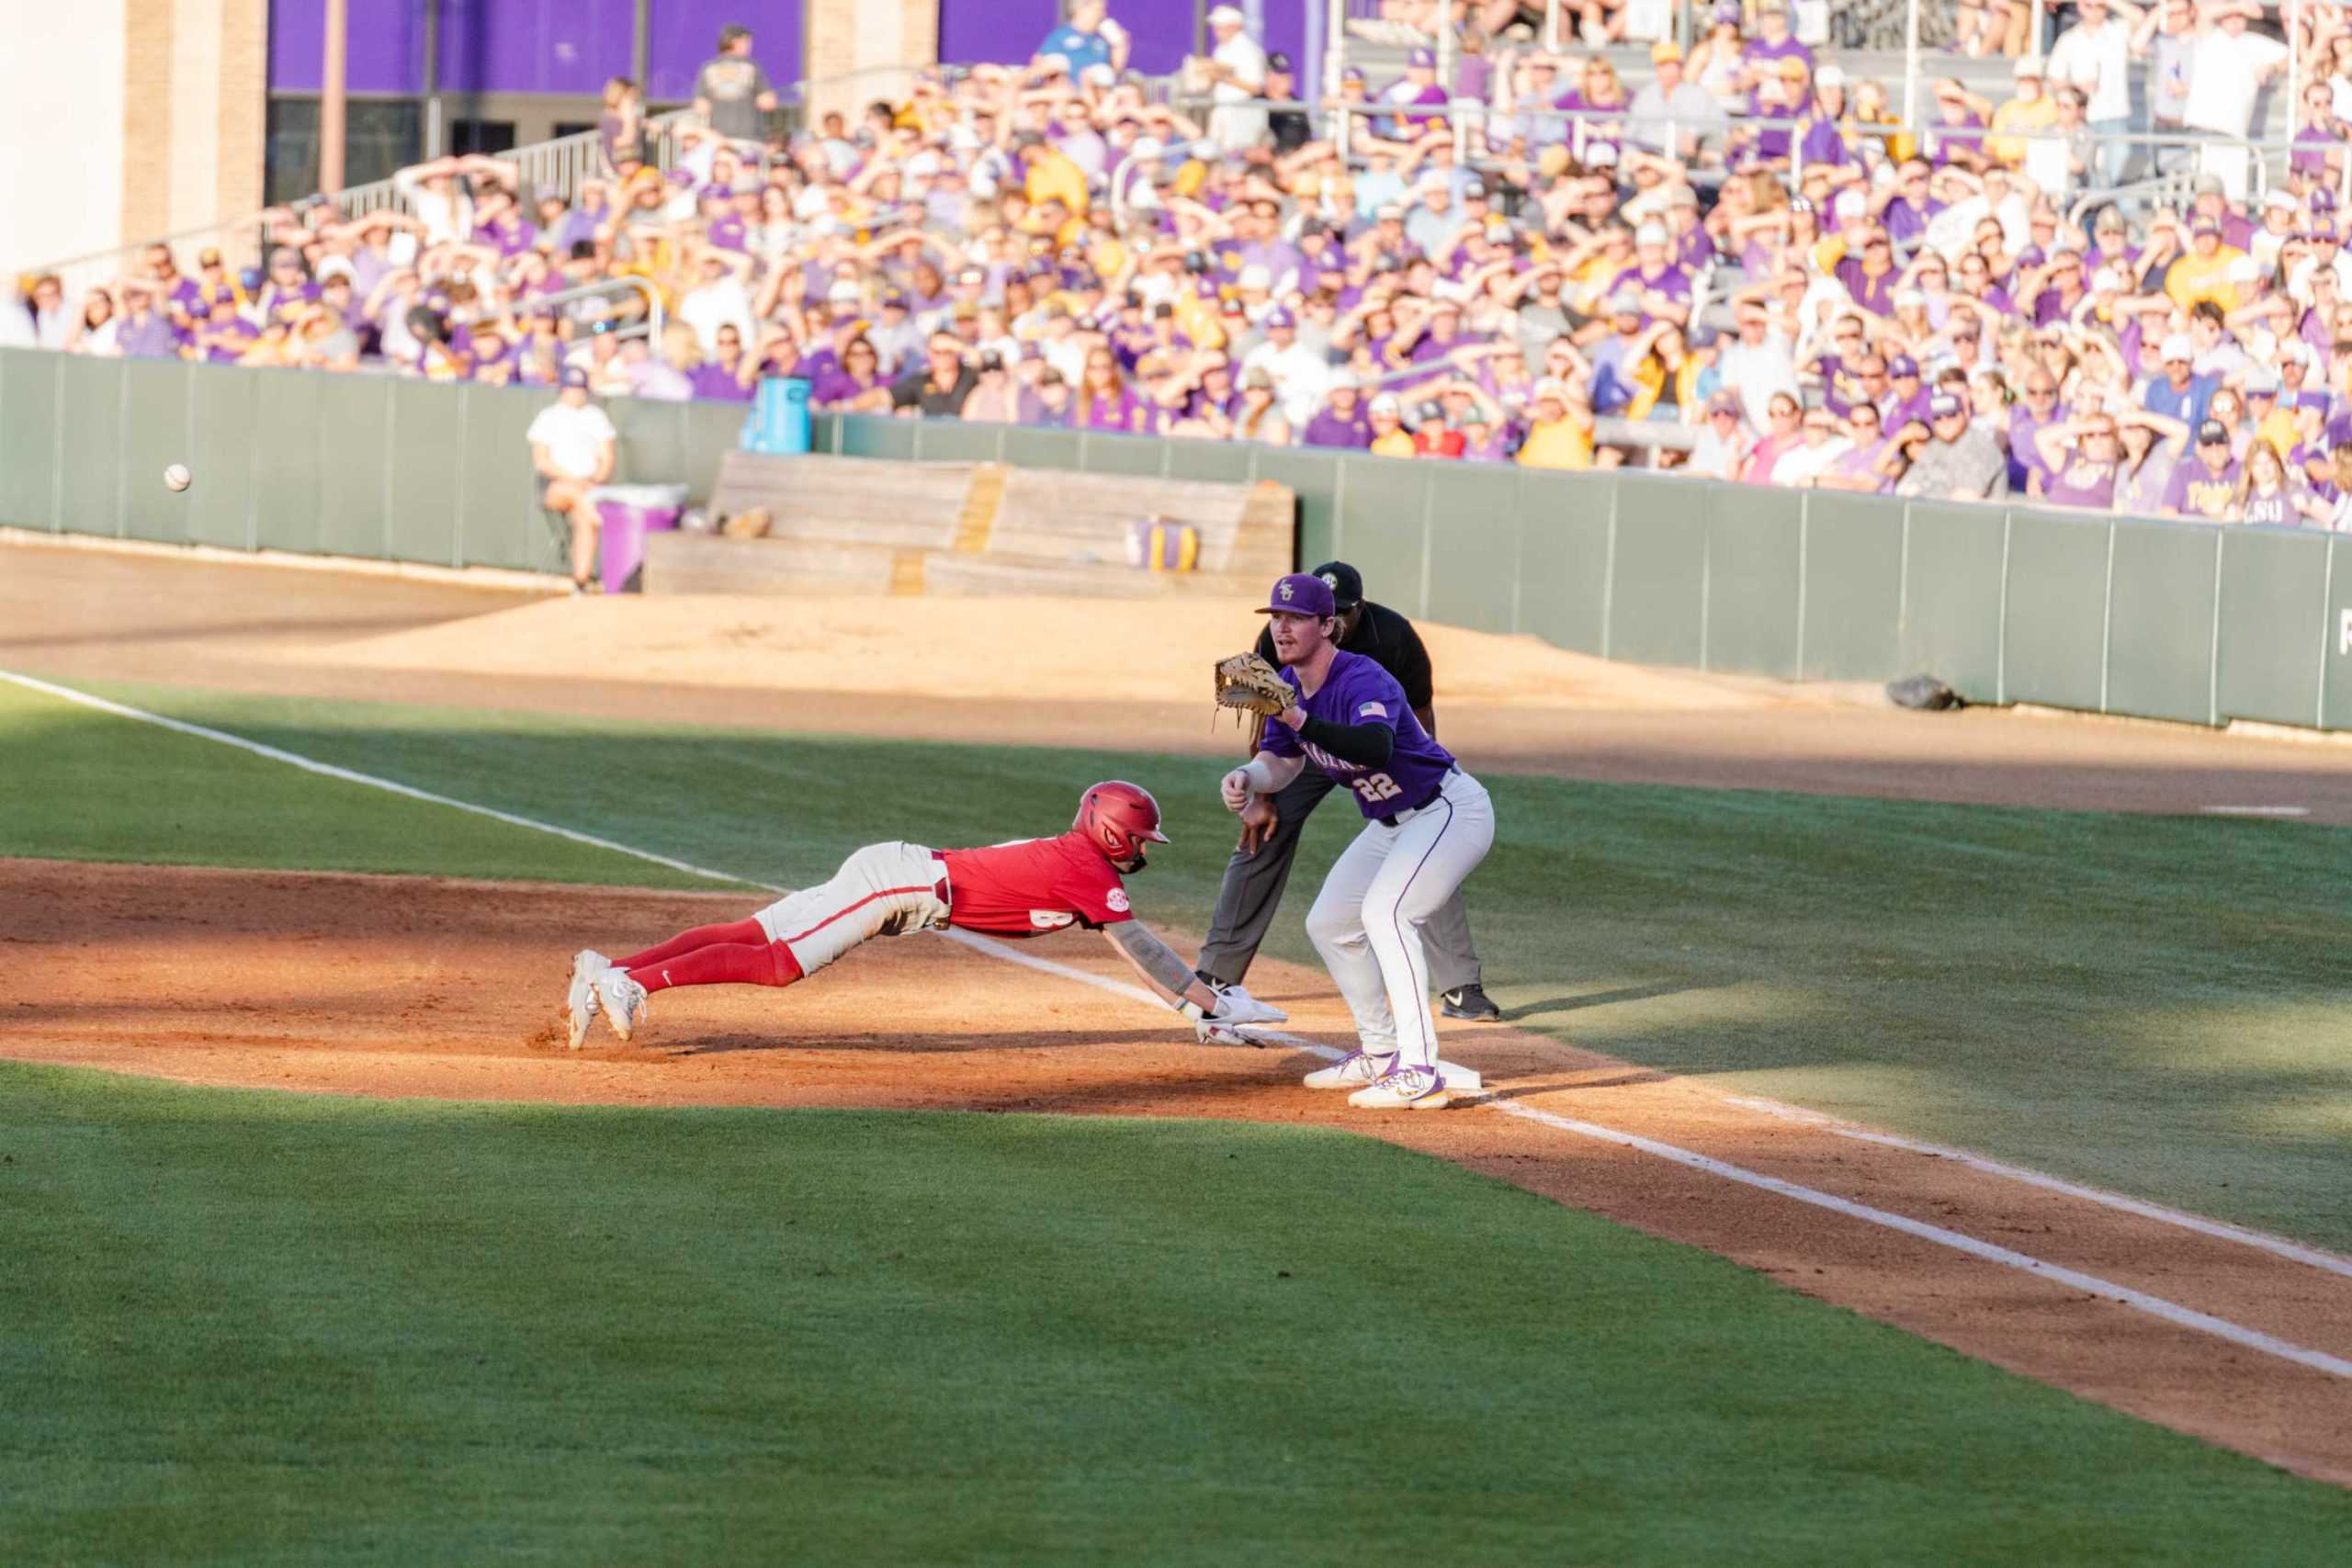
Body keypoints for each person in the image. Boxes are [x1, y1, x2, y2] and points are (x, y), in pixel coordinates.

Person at [565, 782, 1285, 1049]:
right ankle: (635, 984)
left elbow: (1138, 950)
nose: (1138, 851)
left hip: (903, 874)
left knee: (758, 932)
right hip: (904, 885)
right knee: (779, 959)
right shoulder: (1085, 869)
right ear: (1112, 833)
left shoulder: (1077, 859)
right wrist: (1208, 1001)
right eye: (1136, 838)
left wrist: (1199, 1013)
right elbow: (1144, 949)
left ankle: (611, 970)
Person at [1218, 573, 1496, 1110]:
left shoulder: (1362, 677)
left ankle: (1419, 1069)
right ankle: (1382, 1052)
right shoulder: (1288, 688)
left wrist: (1298, 716)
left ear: (1329, 626)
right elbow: (1282, 761)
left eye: (1295, 618)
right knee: (1329, 923)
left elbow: (1372, 746)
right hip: (1391, 823)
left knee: (1387, 914)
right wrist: (1249, 778)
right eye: (1276, 617)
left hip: (1448, 809)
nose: (1282, 627)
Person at [527, 367, 618, 593]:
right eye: (571, 388)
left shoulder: (596, 416)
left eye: (580, 389)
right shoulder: (549, 416)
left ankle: (580, 582)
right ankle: (602, 519)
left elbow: (606, 458)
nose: (576, 393)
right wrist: (576, 481)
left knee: (584, 519)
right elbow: (542, 461)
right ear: (562, 389)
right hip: (555, 487)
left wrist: (596, 479)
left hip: (589, 487)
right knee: (580, 497)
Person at [693, 23, 780, 145]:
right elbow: (768, 102)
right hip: (748, 137)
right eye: (746, 42)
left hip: (718, 140)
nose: (749, 46)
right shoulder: (752, 66)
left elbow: (701, 107)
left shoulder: (708, 68)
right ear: (735, 42)